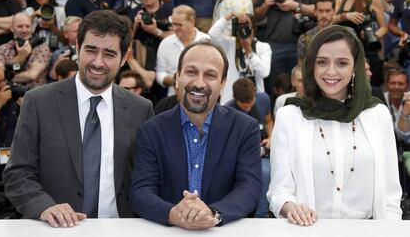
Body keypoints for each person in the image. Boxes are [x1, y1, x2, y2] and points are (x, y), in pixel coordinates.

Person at [2, 10, 154, 227]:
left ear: (123, 59)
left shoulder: (141, 109)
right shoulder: (39, 102)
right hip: (57, 230)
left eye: (109, 54)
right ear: (77, 48)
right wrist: (45, 206)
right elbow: (17, 173)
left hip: (120, 228)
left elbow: (148, 178)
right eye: (91, 50)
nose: (98, 62)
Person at [268, 25, 402, 226]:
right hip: (308, 231)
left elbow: (391, 195)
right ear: (311, 66)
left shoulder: (377, 114)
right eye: (322, 62)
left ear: (355, 67)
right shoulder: (290, 116)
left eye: (341, 63)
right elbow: (279, 190)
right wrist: (291, 207)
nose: (331, 71)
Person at [130, 39, 262, 229]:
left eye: (210, 75)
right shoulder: (151, 131)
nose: (199, 83)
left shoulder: (245, 129)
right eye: (191, 72)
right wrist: (173, 214)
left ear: (223, 83)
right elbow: (140, 191)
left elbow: (249, 188)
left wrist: (211, 212)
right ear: (177, 78)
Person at [254, 0, 320, 96]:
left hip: (302, 44)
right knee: (277, 88)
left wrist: (294, 5)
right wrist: (265, 5)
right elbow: (256, 16)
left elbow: (319, 9)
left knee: (302, 88)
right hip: (274, 44)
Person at [225, 78, 273, 218]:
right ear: (234, 98)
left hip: (264, 150)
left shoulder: (263, 99)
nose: (248, 106)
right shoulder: (228, 110)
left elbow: (269, 121)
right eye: (244, 105)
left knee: (267, 172)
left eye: (251, 102)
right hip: (241, 155)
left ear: (255, 94)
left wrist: (270, 137)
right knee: (262, 173)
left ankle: (262, 215)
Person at [332, 0, 387, 86]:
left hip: (367, 50)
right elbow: (331, 21)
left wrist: (372, 36)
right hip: (345, 51)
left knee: (371, 87)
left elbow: (384, 28)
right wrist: (346, 16)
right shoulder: (341, 0)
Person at [208, 12, 271, 104]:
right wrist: (230, 15)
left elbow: (265, 72)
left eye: (247, 25)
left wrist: (249, 51)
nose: (243, 29)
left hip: (254, 99)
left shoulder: (263, 47)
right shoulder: (230, 43)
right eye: (240, 25)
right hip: (231, 97)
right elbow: (213, 34)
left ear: (254, 29)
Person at [156, 5, 209, 96]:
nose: (175, 28)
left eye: (179, 24)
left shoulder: (207, 42)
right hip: (174, 98)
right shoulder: (166, 43)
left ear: (192, 21)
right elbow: (160, 73)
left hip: (202, 95)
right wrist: (174, 80)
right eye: (173, 24)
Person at [0, 12, 51, 88]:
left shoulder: (42, 48)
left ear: (32, 28)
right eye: (20, 26)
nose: (24, 30)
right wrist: (20, 57)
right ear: (12, 28)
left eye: (28, 26)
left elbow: (31, 75)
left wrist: (7, 76)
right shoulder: (2, 49)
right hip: (8, 95)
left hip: (35, 95)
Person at [297, 0, 335, 65]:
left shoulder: (347, 34)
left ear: (334, 11)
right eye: (320, 11)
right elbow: (301, 66)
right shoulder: (304, 38)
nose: (324, 15)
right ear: (315, 11)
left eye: (328, 11)